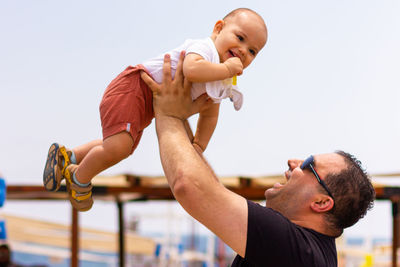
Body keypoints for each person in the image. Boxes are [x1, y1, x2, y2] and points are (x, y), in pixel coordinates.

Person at [139, 52, 376, 266]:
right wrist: (182, 123)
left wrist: (168, 113)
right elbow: (206, 187)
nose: (293, 162)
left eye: (307, 165)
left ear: (322, 203)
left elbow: (190, 186)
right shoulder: (308, 251)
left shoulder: (294, 247)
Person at [42, 8, 268, 211]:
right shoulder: (204, 48)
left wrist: (198, 146)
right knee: (119, 146)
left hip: (148, 103)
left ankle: (68, 156)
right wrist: (227, 69)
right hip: (134, 85)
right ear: (219, 28)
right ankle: (78, 178)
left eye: (252, 51)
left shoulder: (221, 78)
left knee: (122, 146)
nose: (243, 51)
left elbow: (210, 113)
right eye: (239, 38)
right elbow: (191, 70)